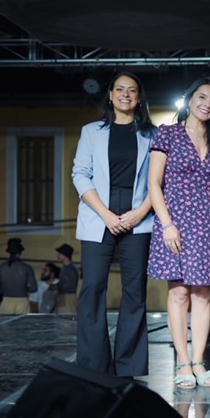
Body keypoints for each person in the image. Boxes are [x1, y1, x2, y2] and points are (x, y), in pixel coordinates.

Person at [72, 71, 156, 378]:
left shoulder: (153, 134)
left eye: (131, 90)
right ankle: (93, 366)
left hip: (139, 217)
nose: (125, 94)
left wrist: (140, 213)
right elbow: (80, 174)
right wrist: (106, 214)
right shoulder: (91, 132)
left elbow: (159, 181)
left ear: (139, 97)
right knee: (93, 288)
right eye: (119, 89)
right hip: (98, 215)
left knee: (135, 292)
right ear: (110, 95)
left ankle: (128, 367)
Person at [148, 76, 210, 389]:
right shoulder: (168, 133)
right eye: (202, 97)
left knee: (203, 294)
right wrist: (167, 224)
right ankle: (182, 361)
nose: (207, 104)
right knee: (179, 292)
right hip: (176, 222)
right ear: (190, 99)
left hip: (208, 223)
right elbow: (154, 183)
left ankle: (199, 361)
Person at [0, 238, 37, 314]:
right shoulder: (26, 267)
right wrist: (23, 288)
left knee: (5, 322)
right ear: (20, 252)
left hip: (6, 302)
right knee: (22, 322)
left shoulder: (0, 268)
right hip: (22, 302)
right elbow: (34, 288)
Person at [55, 243, 79, 313]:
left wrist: (58, 287)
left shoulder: (71, 270)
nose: (57, 256)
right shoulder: (64, 268)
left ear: (65, 255)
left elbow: (71, 287)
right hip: (62, 299)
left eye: (60, 254)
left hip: (68, 299)